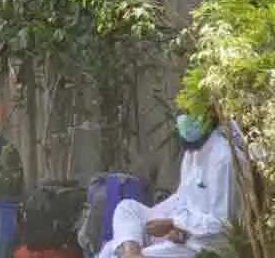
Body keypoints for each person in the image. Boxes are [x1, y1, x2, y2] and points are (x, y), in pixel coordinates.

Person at [98, 109, 240, 258]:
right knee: (127, 209)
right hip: (181, 233)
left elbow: (223, 225)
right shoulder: (192, 152)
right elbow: (182, 199)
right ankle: (131, 254)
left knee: (111, 253)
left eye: (190, 112)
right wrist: (172, 225)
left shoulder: (224, 158)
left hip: (202, 245)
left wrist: (175, 224)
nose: (184, 120)